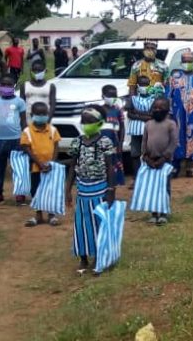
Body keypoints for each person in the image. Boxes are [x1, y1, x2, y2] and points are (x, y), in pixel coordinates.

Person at [64, 106, 116, 273]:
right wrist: (67, 189)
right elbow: (72, 166)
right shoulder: (77, 142)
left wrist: (111, 189)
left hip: (100, 189)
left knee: (99, 223)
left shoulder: (104, 142)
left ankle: (100, 256)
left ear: (99, 123)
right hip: (83, 190)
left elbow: (110, 167)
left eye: (90, 122)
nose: (86, 125)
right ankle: (83, 257)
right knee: (82, 224)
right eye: (83, 121)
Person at [0, 75, 27, 206]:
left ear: (14, 86)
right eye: (3, 84)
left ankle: (20, 193)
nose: (6, 87)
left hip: (16, 139)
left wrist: (27, 139)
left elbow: (24, 122)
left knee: (18, 168)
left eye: (9, 85)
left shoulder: (20, 102)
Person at [20, 102, 61, 227]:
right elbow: (27, 149)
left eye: (44, 114)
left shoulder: (52, 130)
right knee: (36, 190)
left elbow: (56, 147)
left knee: (50, 190)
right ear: (32, 115)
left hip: (50, 168)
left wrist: (52, 163)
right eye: (39, 114)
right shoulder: (27, 131)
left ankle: (51, 215)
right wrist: (39, 164)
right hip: (35, 167)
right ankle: (38, 214)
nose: (42, 116)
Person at [167, 51, 193, 178]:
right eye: (185, 61)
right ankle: (175, 166)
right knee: (177, 138)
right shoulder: (174, 78)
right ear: (181, 63)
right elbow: (168, 96)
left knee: (192, 137)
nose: (187, 63)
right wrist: (168, 114)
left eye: (189, 61)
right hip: (177, 114)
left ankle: (190, 165)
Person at [142, 97, 178, 224]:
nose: (157, 110)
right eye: (155, 108)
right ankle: (153, 213)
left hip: (165, 162)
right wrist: (145, 156)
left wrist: (164, 157)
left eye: (160, 108)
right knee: (151, 187)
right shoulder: (148, 124)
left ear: (167, 110)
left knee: (164, 187)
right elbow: (144, 141)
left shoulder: (171, 124)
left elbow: (173, 142)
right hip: (150, 161)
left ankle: (163, 213)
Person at [125, 75, 155, 185]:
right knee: (135, 154)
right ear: (138, 86)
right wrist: (145, 115)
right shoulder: (132, 99)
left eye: (146, 84)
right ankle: (136, 178)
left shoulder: (153, 99)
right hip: (135, 131)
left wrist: (137, 113)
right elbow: (129, 114)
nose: (144, 86)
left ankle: (149, 177)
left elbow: (152, 115)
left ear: (149, 85)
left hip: (149, 131)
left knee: (149, 154)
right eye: (142, 84)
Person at [100, 85, 126, 186]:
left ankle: (115, 181)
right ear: (103, 96)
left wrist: (121, 142)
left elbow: (122, 127)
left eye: (114, 96)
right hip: (101, 140)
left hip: (114, 140)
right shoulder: (99, 110)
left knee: (114, 160)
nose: (112, 98)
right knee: (102, 160)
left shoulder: (118, 110)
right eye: (110, 96)